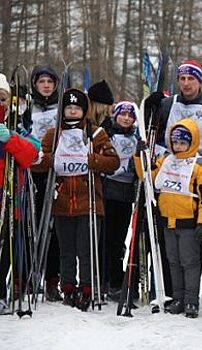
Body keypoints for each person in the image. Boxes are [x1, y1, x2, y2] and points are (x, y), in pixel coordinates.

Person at [32, 88, 119, 311]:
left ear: (84, 110)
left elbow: (113, 162)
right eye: (69, 107)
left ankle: (88, 287)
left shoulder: (95, 134)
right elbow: (40, 162)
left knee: (86, 249)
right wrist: (52, 159)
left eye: (77, 107)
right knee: (66, 249)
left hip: (88, 202)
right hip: (62, 202)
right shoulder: (54, 134)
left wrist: (91, 159)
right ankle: (68, 286)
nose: (72, 111)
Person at [155, 60, 202, 296]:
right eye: (182, 79)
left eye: (191, 79)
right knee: (170, 239)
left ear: (199, 81)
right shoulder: (169, 104)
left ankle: (191, 293)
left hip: (198, 173)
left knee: (192, 241)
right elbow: (157, 136)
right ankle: (171, 290)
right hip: (170, 171)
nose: (186, 84)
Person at [145, 118, 202, 318]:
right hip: (168, 220)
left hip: (189, 224)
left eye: (183, 143)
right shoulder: (165, 160)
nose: (178, 146)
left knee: (189, 262)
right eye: (175, 142)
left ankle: (191, 300)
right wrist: (139, 155)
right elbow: (147, 177)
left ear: (191, 142)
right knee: (173, 261)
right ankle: (178, 298)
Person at [0, 81, 41, 314]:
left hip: (10, 199)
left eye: (3, 99)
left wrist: (10, 139)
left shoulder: (16, 127)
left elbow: (32, 155)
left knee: (6, 249)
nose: (0, 104)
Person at [29, 64, 63, 301]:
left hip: (54, 169)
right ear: (35, 84)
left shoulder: (61, 107)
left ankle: (52, 279)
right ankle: (28, 276)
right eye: (42, 82)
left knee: (54, 228)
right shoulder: (25, 107)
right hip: (31, 169)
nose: (46, 86)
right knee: (31, 224)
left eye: (50, 82)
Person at [101, 101, 139, 301]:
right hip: (108, 190)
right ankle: (104, 278)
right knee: (105, 238)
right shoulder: (107, 134)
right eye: (122, 114)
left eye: (130, 115)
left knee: (118, 240)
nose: (126, 118)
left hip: (125, 193)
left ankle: (116, 280)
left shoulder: (136, 137)